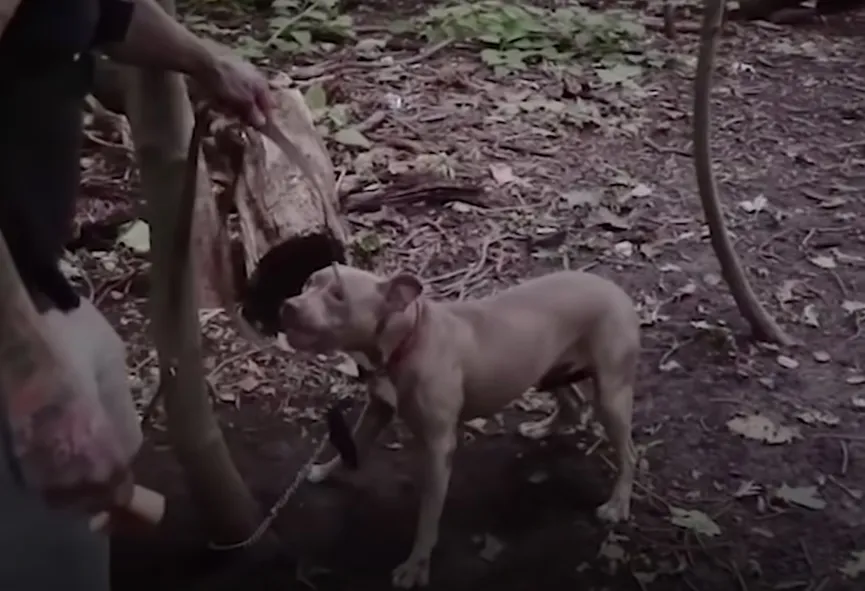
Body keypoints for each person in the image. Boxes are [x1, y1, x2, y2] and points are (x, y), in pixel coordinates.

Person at [0, 0, 274, 589]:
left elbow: (101, 13)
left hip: (31, 283)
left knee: (104, 392)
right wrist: (33, 381)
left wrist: (206, 61)